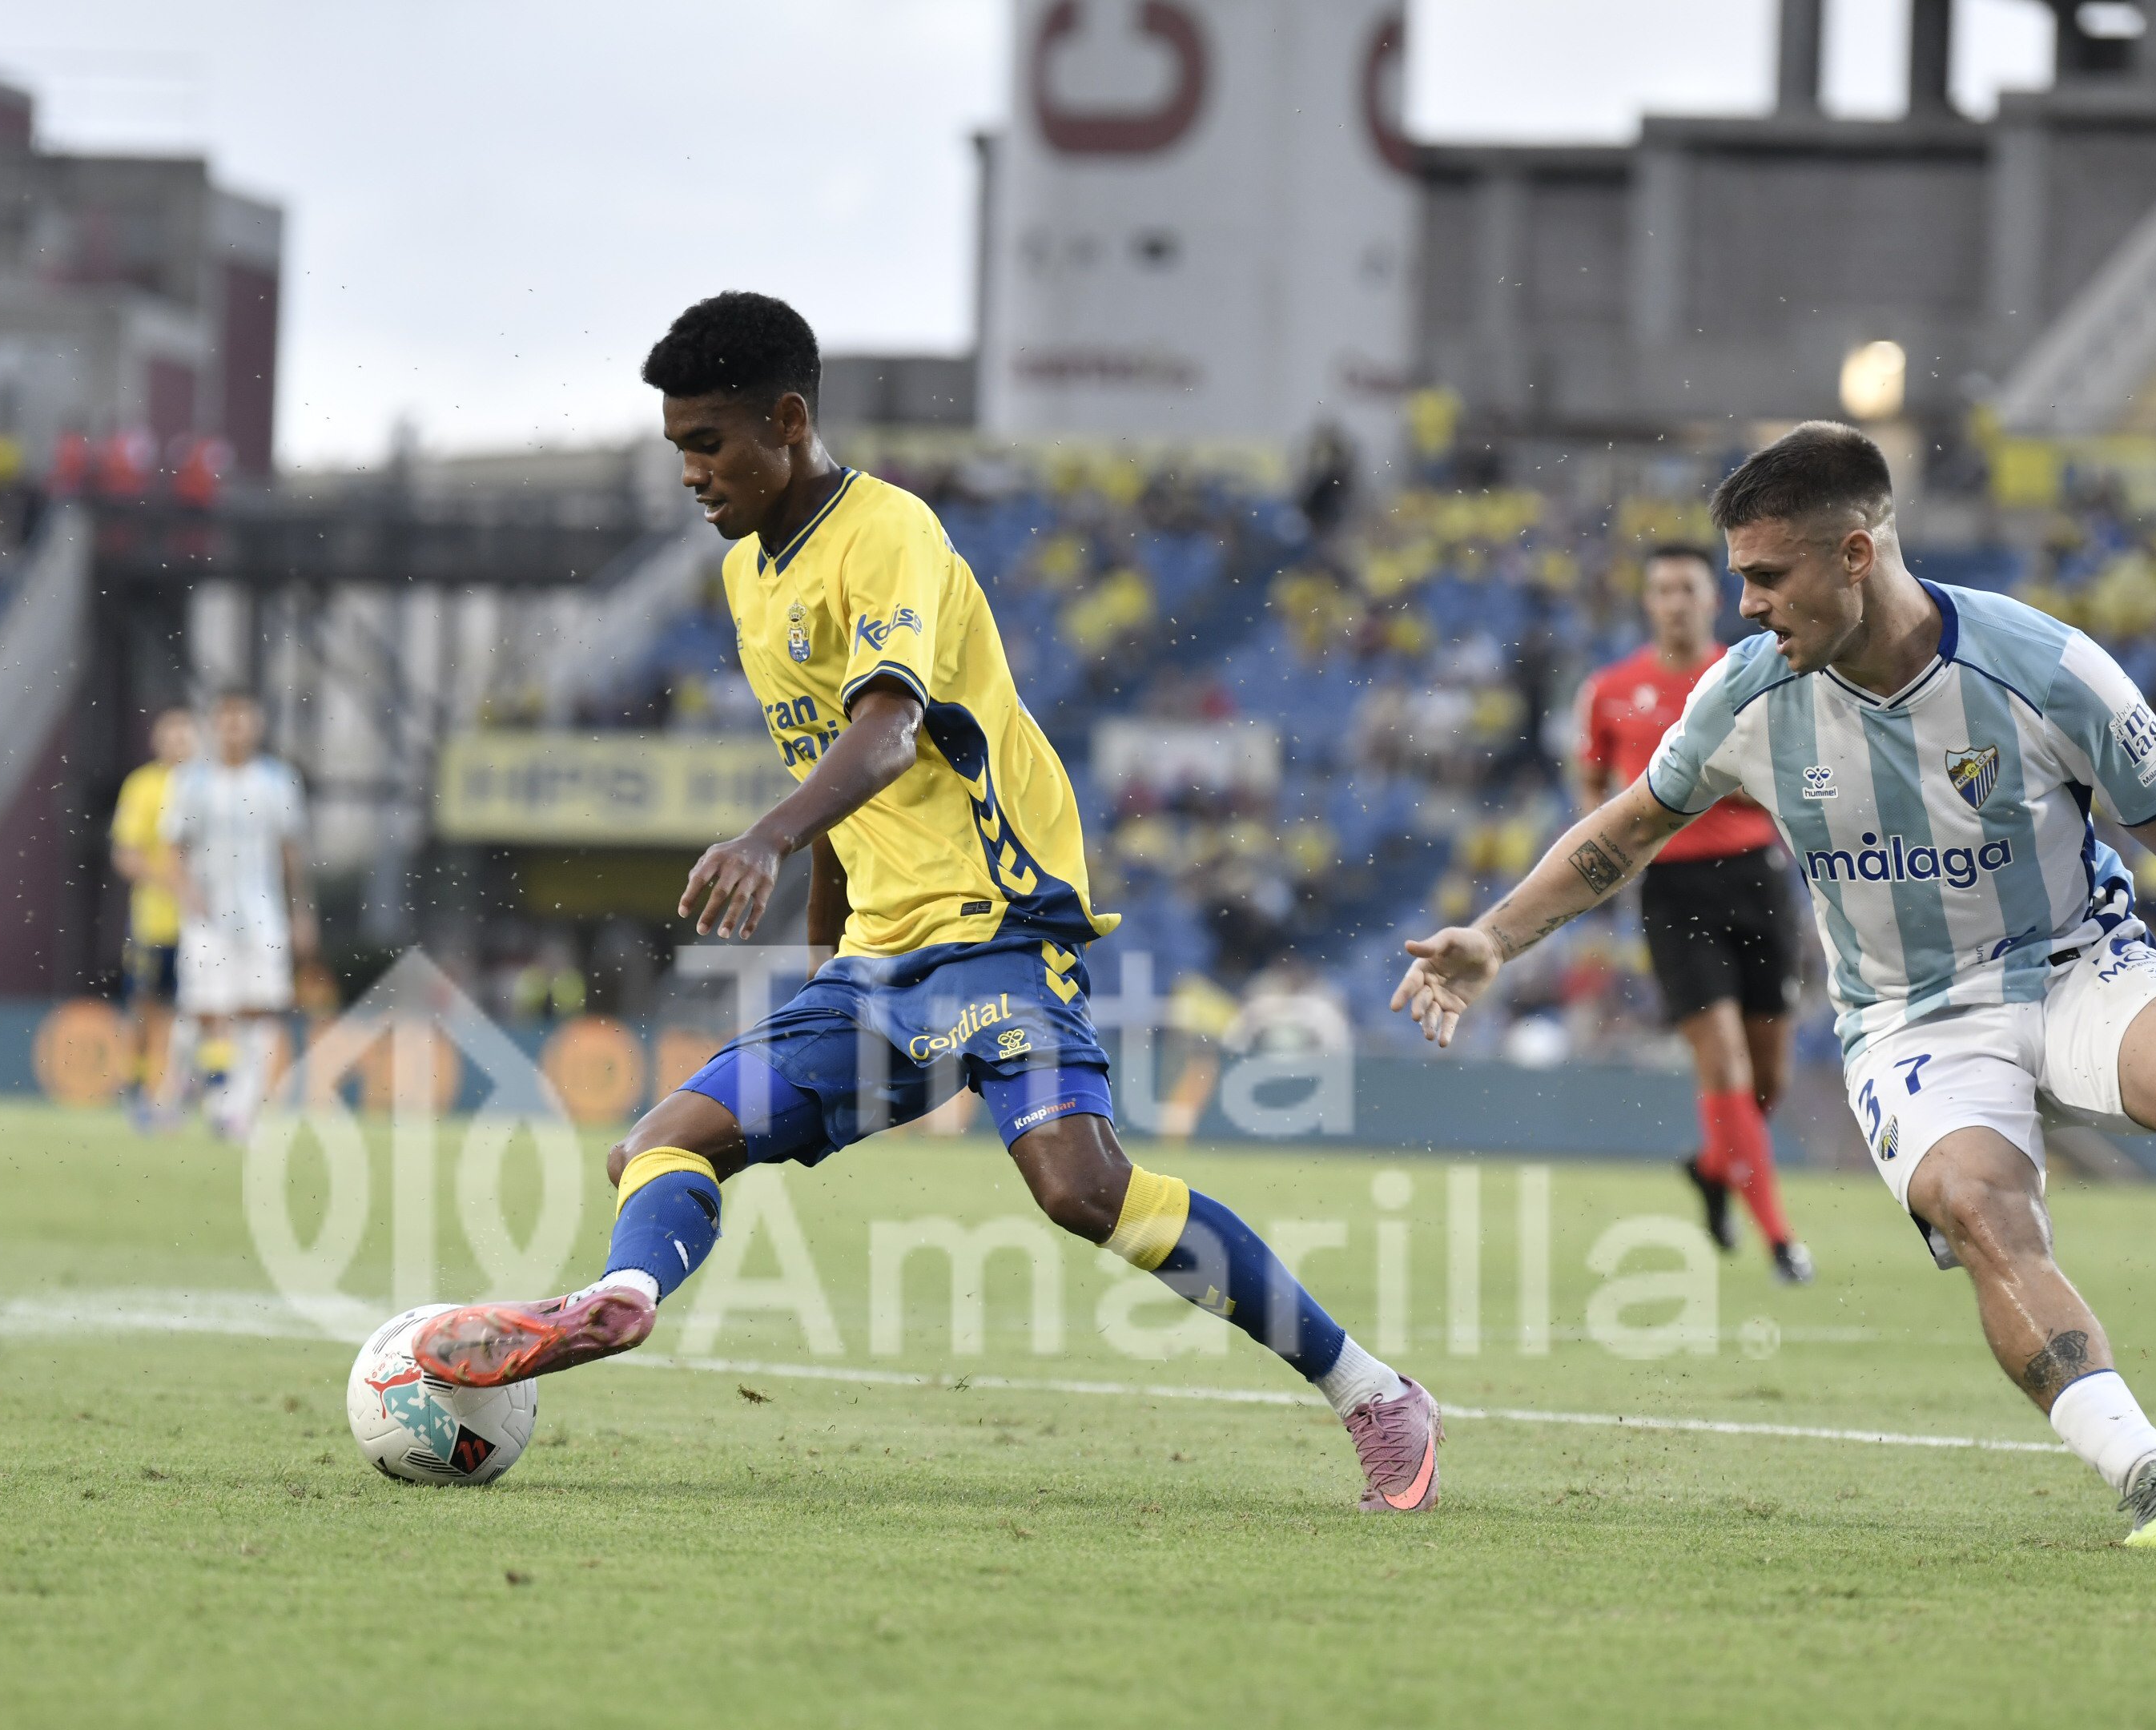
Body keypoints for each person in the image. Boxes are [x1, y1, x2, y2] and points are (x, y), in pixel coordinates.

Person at [412, 292, 1442, 1512]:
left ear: (788, 422)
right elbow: (832, 775)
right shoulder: (750, 579)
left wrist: (765, 839)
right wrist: (822, 957)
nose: (689, 471)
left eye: (708, 442)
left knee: (1080, 1190)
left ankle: (1376, 1394)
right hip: (871, 965)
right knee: (660, 1142)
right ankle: (624, 1300)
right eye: (676, 445)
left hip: (996, 931)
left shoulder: (888, 531)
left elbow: (889, 733)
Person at [1395, 422, 2156, 1549]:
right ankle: (2149, 1475)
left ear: (1857, 556)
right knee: (1980, 1209)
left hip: (2076, 962)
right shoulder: (1744, 699)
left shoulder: (2048, 667)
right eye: (1739, 579)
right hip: (1908, 1016)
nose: (1746, 607)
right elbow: (1624, 828)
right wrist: (1493, 938)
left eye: (1766, 577)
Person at [1575, 543, 1812, 1282]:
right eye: (1661, 589)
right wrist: (1606, 851)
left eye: (1686, 587)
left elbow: (1794, 774)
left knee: (1769, 1077)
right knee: (1724, 1061)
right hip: (1672, 888)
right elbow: (1591, 781)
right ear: (1647, 602)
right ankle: (1780, 1240)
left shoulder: (1753, 675)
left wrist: (1739, 789)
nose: (1674, 600)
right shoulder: (1612, 689)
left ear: (1713, 598)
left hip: (1756, 876)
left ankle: (1714, 1169)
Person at [161, 692, 316, 1141]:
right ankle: (180, 1091)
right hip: (208, 916)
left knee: (260, 1011)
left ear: (257, 725)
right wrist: (188, 895)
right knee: (202, 1010)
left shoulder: (278, 781)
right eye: (227, 720)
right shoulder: (191, 782)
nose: (235, 728)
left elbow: (291, 852)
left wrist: (302, 912)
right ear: (215, 725)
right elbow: (173, 846)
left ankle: (239, 1110)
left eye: (243, 720)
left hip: (263, 914)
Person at [107, 707, 196, 1129]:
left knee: (198, 1011)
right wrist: (172, 881)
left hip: (203, 926)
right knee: (144, 1008)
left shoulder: (210, 786)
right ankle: (136, 1088)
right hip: (154, 921)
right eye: (171, 735)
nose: (179, 744)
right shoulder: (142, 786)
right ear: (157, 741)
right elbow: (126, 854)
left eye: (186, 735)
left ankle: (181, 1094)